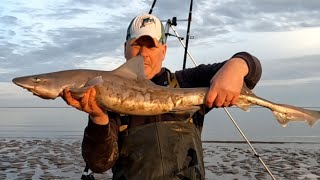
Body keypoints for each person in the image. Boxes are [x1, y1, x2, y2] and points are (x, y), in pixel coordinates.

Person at [62, 13, 262, 180]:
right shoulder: (110, 97)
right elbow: (99, 164)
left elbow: (252, 70)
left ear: (164, 51)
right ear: (125, 48)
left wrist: (236, 66)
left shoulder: (185, 82)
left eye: (151, 46)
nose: (143, 54)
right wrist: (98, 117)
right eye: (136, 45)